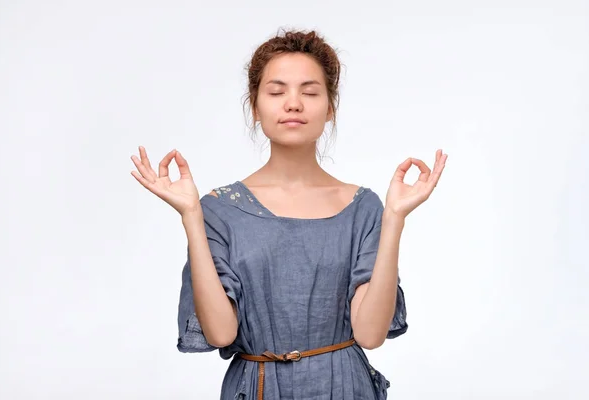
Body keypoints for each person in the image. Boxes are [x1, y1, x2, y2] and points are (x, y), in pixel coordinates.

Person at [131, 29, 447, 400]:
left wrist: (394, 218)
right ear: (255, 106)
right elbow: (220, 333)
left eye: (310, 92)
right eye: (277, 92)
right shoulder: (219, 208)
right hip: (258, 388)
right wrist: (190, 215)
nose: (293, 103)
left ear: (330, 108)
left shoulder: (363, 207)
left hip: (344, 388)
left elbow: (370, 334)